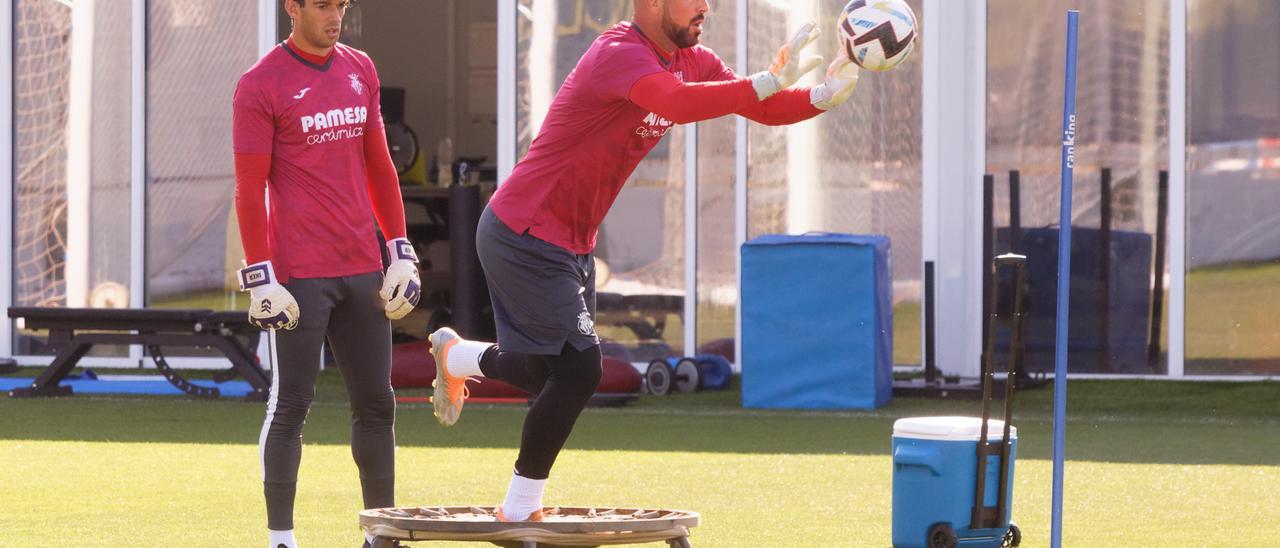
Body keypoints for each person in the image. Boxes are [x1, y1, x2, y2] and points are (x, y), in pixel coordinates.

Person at [425, 0, 861, 523]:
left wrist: (821, 95)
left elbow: (758, 107)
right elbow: (676, 103)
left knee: (549, 375)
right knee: (581, 370)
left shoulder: (691, 56)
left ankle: (458, 357)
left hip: (570, 240)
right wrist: (766, 80)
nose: (706, 8)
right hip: (523, 230)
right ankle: (519, 508)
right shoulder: (617, 53)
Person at [232, 1, 420, 546]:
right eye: (321, 5)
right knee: (290, 402)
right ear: (292, 7)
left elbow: (380, 166)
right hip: (297, 274)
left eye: (341, 4)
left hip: (363, 265)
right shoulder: (259, 83)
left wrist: (400, 250)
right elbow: (250, 187)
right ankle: (281, 539)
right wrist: (259, 276)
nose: (335, 15)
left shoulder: (360, 67)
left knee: (377, 403)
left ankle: (380, 534)